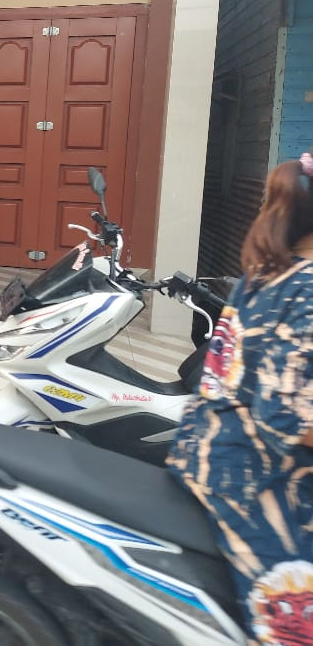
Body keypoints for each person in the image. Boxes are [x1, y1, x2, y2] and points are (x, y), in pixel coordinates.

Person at [168, 153, 313, 645]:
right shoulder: (306, 288)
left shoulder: (265, 272)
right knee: (293, 625)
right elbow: (285, 415)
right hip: (253, 480)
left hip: (205, 447)